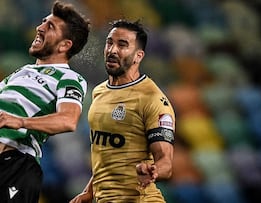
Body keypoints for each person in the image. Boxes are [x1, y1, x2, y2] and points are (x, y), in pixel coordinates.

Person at [70, 19, 175, 203]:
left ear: (138, 56)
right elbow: (107, 155)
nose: (112, 50)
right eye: (109, 43)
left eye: (122, 45)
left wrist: (153, 171)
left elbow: (166, 162)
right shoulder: (99, 92)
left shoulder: (152, 99)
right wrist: (89, 191)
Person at [0, 1, 90, 202]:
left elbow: (68, 120)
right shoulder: (22, 71)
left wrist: (21, 121)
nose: (39, 28)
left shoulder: (69, 78)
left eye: (50, 27)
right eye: (43, 22)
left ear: (65, 45)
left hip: (16, 166)